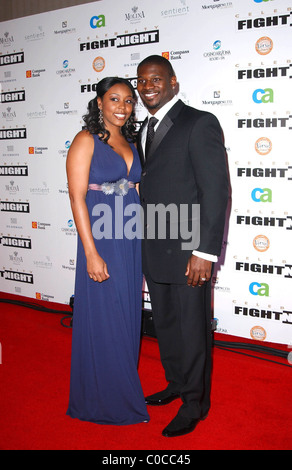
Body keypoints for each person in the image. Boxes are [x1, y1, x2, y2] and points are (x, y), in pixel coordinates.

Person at [136, 55, 229, 437]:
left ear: (173, 82)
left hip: (191, 251)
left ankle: (195, 403)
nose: (147, 87)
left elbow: (216, 189)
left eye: (156, 79)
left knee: (192, 329)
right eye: (142, 81)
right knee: (168, 324)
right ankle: (175, 383)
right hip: (154, 245)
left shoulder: (199, 122)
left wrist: (205, 252)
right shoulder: (143, 126)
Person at [66, 77, 149, 425]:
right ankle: (105, 397)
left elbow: (138, 191)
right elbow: (77, 197)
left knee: (128, 311)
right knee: (106, 313)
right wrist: (91, 253)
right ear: (99, 102)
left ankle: (121, 379)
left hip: (131, 236)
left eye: (128, 100)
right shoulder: (86, 140)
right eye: (114, 99)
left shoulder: (131, 139)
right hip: (101, 237)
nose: (122, 106)